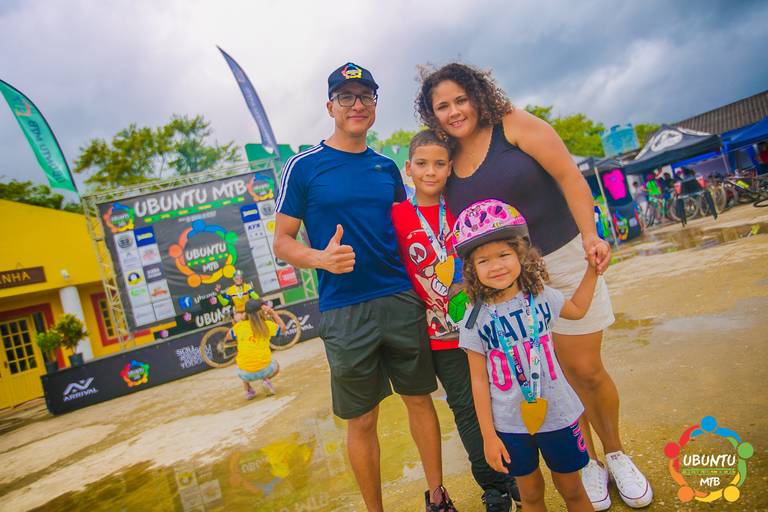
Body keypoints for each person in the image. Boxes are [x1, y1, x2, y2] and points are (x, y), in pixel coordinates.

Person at [416, 63, 652, 510]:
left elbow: (568, 176)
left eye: (461, 99)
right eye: (442, 106)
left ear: (477, 95)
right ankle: (586, 462)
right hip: (503, 282)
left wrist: (591, 235)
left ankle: (616, 453)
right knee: (548, 373)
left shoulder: (513, 125)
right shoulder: (446, 156)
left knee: (585, 368)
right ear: (432, 114)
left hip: (561, 257)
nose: (454, 111)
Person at [273, 62, 449, 512]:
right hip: (344, 310)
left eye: (366, 96)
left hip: (400, 299)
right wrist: (320, 258)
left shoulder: (386, 168)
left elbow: (406, 230)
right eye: (346, 97)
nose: (357, 104)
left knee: (419, 400)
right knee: (362, 419)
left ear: (374, 105)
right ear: (330, 106)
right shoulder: (303, 167)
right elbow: (282, 242)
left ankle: (438, 497)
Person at [392, 130, 518, 511]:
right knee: (465, 408)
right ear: (408, 169)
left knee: (500, 397)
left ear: (450, 168)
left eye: (439, 164)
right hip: (438, 336)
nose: (430, 172)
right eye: (422, 164)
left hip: (482, 325)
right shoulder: (397, 216)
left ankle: (516, 472)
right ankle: (494, 487)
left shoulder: (462, 206)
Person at [455, 200, 597, 511]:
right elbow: (477, 382)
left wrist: (593, 271)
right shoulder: (474, 319)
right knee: (530, 495)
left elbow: (577, 309)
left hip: (558, 414)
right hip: (510, 426)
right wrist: (488, 437)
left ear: (521, 255)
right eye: (483, 260)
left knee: (573, 491)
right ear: (472, 269)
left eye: (504, 255)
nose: (496, 266)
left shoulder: (541, 297)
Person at [225, 299, 286, 399]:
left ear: (246, 313)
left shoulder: (239, 326)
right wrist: (272, 313)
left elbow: (228, 337)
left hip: (244, 374)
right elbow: (283, 328)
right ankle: (266, 381)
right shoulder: (266, 325)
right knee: (276, 365)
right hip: (266, 370)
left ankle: (248, 390)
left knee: (242, 362)